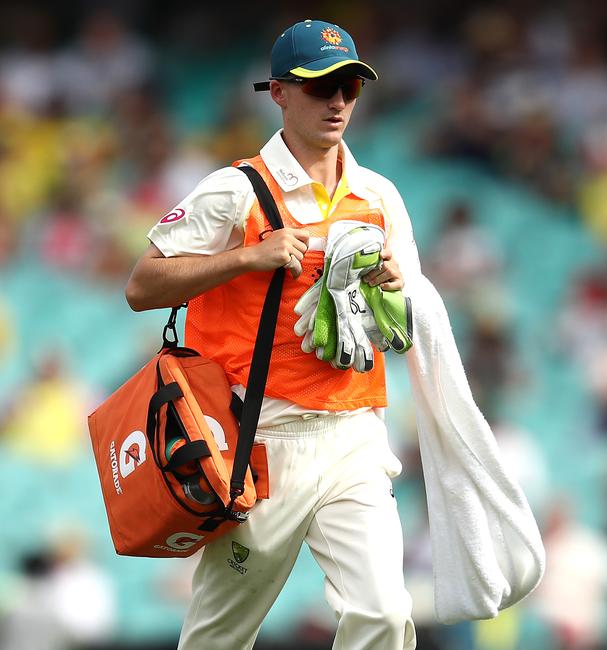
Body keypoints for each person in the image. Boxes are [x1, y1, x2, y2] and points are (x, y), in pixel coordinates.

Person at [126, 19, 418, 650]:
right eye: (320, 87)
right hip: (261, 443)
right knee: (216, 640)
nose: (338, 101)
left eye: (349, 87)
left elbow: (406, 317)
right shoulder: (237, 189)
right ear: (280, 93)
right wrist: (243, 257)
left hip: (354, 436)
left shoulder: (378, 195)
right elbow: (143, 286)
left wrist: (397, 281)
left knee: (387, 615)